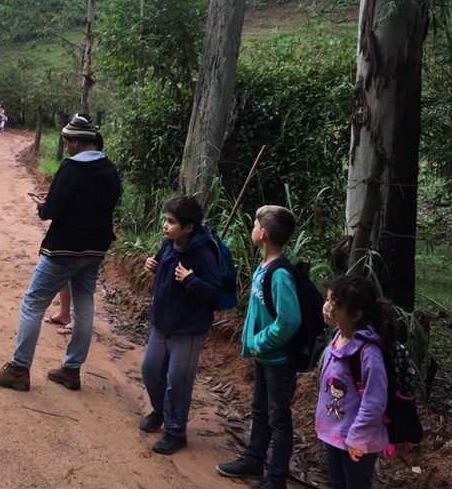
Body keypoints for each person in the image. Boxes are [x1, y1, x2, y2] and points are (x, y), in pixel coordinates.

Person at [0, 113, 121, 392]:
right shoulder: (109, 168)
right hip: (94, 249)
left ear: (77, 142)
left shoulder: (71, 168)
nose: (67, 147)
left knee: (34, 303)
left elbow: (54, 210)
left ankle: (19, 368)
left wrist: (42, 207)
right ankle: (71, 370)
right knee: (84, 306)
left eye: (68, 142)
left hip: (63, 248)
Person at [216, 205, 300, 489]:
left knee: (278, 417)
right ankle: (253, 459)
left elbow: (289, 320)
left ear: (262, 234)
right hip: (265, 357)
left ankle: (276, 478)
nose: (252, 228)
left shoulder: (280, 274)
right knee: (260, 410)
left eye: (254, 224)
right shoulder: (264, 267)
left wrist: (260, 341)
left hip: (278, 360)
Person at [139, 195, 223, 455]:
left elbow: (214, 289)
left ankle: (176, 432)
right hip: (162, 324)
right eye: (166, 220)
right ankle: (161, 411)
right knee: (150, 370)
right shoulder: (168, 244)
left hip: (187, 329)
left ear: (188, 227)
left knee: (178, 381)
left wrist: (190, 280)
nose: (166, 226)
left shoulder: (202, 253)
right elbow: (162, 271)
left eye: (171, 222)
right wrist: (151, 265)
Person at [316, 275, 391, 489]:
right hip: (335, 434)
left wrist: (358, 438)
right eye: (328, 299)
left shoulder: (369, 354)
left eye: (334, 304)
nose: (326, 307)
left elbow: (374, 402)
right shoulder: (339, 334)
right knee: (338, 483)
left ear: (356, 315)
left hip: (357, 440)